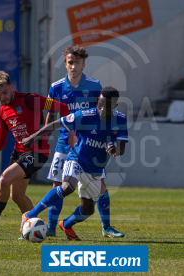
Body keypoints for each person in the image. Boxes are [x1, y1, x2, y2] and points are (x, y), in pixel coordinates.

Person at [0, 71, 72, 237]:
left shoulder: (29, 99)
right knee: (16, 196)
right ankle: (36, 228)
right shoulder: (3, 111)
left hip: (37, 152)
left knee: (4, 179)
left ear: (12, 87)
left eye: (5, 92)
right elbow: (1, 142)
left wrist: (71, 135)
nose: (3, 98)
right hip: (19, 153)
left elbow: (62, 107)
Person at [21, 87, 128, 241]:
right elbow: (56, 124)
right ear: (98, 101)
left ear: (115, 106)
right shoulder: (85, 115)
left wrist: (115, 148)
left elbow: (122, 149)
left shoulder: (121, 120)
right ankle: (30, 215)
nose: (103, 109)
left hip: (95, 168)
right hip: (76, 159)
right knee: (67, 187)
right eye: (101, 104)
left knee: (88, 209)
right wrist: (32, 137)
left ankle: (67, 224)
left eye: (108, 106)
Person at [45, 45, 124, 238]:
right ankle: (51, 229)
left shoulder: (95, 86)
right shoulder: (55, 87)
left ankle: (106, 227)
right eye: (70, 63)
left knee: (101, 184)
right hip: (64, 142)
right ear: (65, 64)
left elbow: (104, 113)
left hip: (86, 145)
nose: (73, 66)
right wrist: (44, 139)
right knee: (58, 185)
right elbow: (50, 114)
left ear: (83, 64)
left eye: (77, 62)